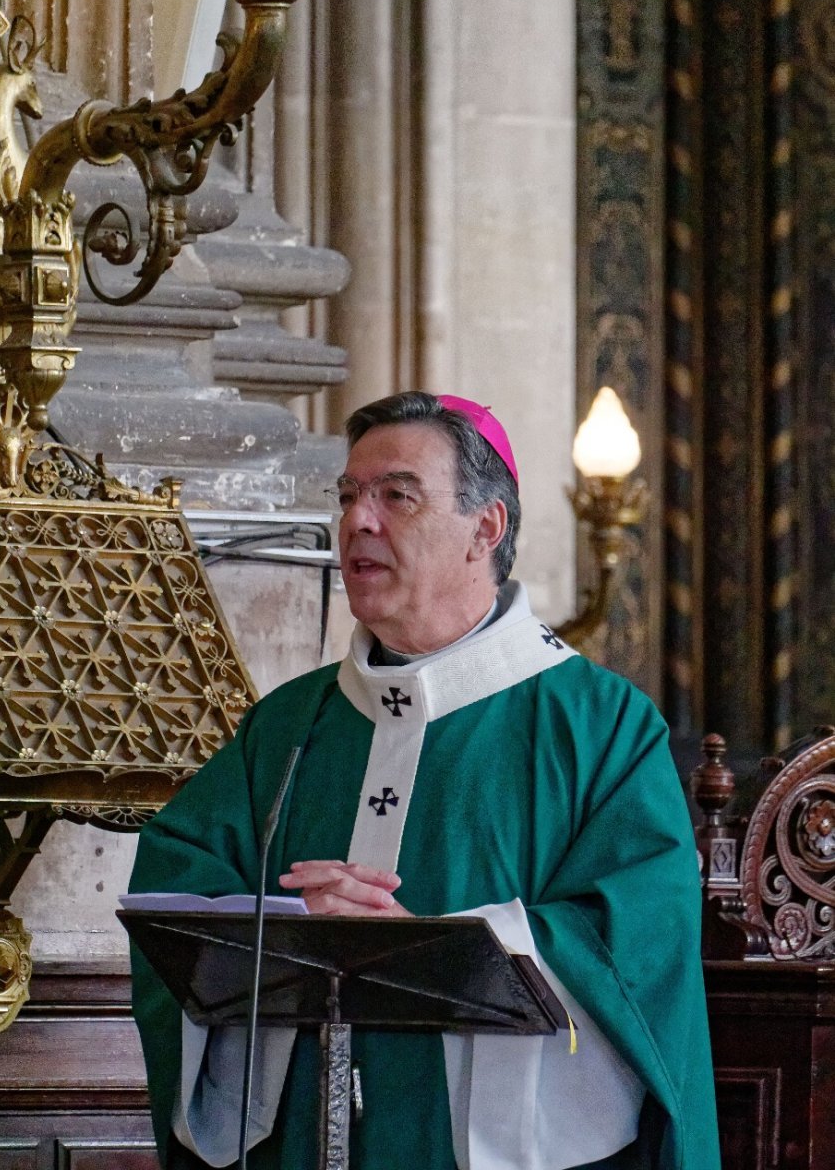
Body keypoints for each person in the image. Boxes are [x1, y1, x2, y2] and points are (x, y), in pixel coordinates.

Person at [128, 391, 720, 1170]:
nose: (358, 521)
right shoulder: (287, 726)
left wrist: (428, 954)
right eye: (348, 496)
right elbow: (177, 893)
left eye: (396, 496)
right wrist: (292, 926)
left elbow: (638, 942)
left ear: (486, 528)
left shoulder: (599, 726)